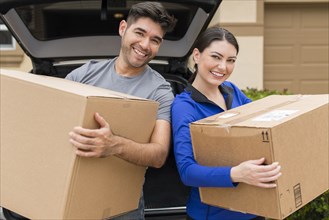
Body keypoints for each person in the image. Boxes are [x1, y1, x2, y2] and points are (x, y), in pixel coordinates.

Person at [65, 2, 176, 220]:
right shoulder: (83, 75)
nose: (145, 45)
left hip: (123, 209)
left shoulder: (160, 91)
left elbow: (159, 155)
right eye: (140, 33)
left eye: (155, 40)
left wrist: (113, 145)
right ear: (123, 28)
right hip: (72, 200)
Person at [171, 26, 282, 220]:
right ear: (196, 55)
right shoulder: (185, 106)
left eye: (230, 60)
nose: (223, 67)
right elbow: (187, 171)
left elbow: (262, 125)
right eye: (216, 57)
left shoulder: (231, 91)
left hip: (254, 209)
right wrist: (236, 174)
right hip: (212, 214)